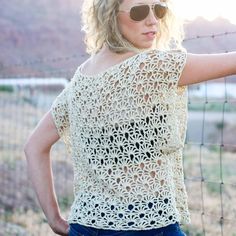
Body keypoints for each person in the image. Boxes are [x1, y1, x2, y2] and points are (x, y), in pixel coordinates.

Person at [24, 0, 236, 235]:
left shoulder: (81, 77)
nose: (153, 20)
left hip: (85, 224)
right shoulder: (152, 65)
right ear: (110, 15)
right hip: (145, 224)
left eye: (159, 9)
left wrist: (54, 219)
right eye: (139, 11)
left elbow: (34, 146)